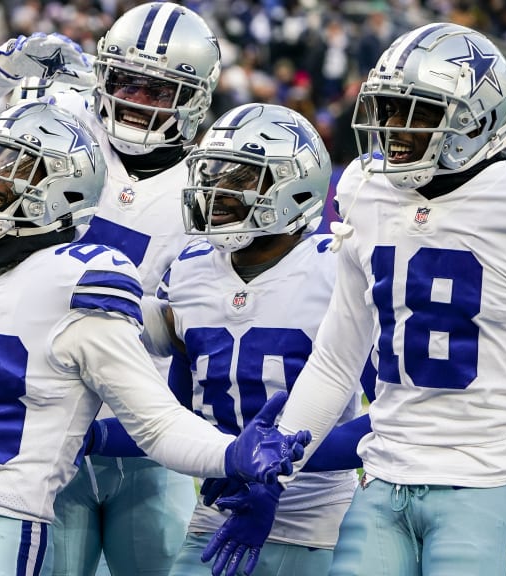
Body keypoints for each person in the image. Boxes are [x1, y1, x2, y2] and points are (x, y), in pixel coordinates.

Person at [0, 102, 310, 576]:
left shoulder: (80, 281)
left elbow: (157, 421)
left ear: (61, 189)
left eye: (11, 168)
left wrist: (229, 453)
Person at [0, 4, 222, 574]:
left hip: (147, 433)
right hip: (46, 420)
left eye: (160, 90)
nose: (137, 99)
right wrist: (2, 71)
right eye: (128, 80)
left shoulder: (213, 181)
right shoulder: (65, 124)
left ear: (195, 98)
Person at [270, 23, 506, 575]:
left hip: (483, 477)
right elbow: (336, 359)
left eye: (419, 113)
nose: (394, 129)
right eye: (387, 109)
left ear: (476, 122)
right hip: (382, 472)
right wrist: (279, 463)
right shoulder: (366, 191)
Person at [136, 104, 362, 575]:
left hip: (315, 526)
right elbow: (174, 416)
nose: (216, 191)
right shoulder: (189, 270)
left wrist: (268, 470)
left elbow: (384, 421)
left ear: (293, 186)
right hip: (213, 523)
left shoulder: (336, 268)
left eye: (239, 178)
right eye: (212, 173)